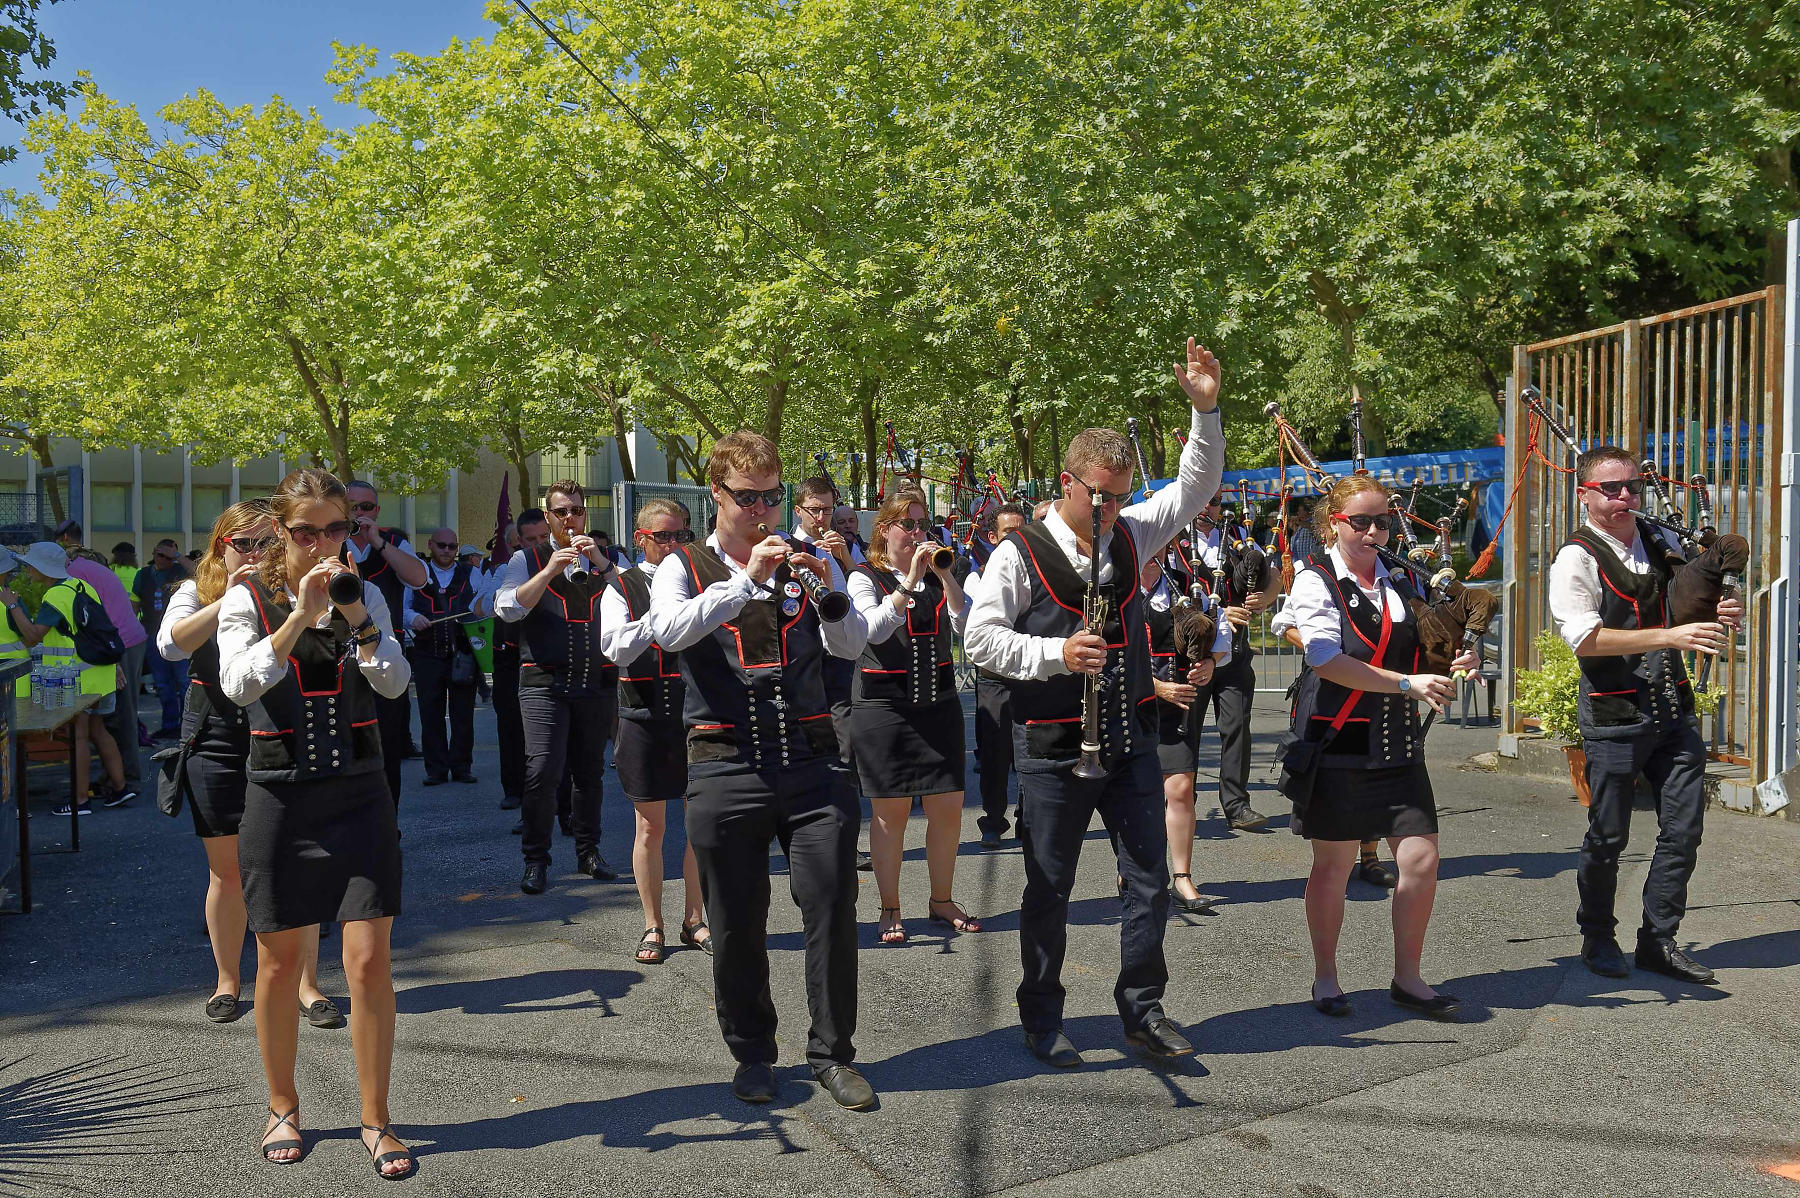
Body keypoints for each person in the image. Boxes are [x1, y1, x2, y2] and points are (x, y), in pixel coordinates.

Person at [964, 336, 1224, 1068]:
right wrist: (1054, 653)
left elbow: (1194, 488)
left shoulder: (1134, 531)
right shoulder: (1017, 554)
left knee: (1148, 883)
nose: (1109, 506)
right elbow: (979, 642)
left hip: (1130, 737)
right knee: (1049, 889)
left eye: (1119, 493)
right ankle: (1041, 1016)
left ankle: (1142, 1010)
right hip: (1051, 747)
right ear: (1067, 483)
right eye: (1096, 493)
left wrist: (1204, 411)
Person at [647, 430, 875, 1112]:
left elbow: (853, 642)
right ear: (716, 494)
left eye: (772, 497)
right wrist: (745, 580)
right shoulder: (683, 566)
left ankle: (834, 1053)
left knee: (832, 903)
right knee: (737, 917)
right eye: (747, 498)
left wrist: (830, 584)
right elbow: (669, 632)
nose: (762, 512)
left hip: (809, 757)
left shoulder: (806, 560)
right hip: (724, 762)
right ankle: (752, 1053)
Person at [216, 468, 413, 1177]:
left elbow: (393, 682)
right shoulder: (247, 597)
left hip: (360, 790)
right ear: (284, 532)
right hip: (280, 793)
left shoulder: (367, 593)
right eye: (310, 531)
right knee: (276, 963)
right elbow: (240, 686)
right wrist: (300, 614)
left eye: (338, 528)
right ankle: (281, 1103)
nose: (326, 542)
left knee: (366, 961)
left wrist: (359, 620)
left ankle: (376, 1118)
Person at [1548, 447, 1741, 984]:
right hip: (1615, 712)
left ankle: (1658, 940)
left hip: (1672, 707)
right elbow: (1585, 640)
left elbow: (1681, 606)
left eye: (1631, 485)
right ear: (1584, 494)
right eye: (1610, 488)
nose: (1625, 495)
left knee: (1683, 830)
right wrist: (1671, 635)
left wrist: (1717, 610)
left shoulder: (1660, 542)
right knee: (1608, 835)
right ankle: (1597, 936)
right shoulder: (1577, 557)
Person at [1284, 475, 1470, 1021]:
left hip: (1395, 739)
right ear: (1333, 524)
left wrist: (1453, 661)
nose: (1373, 531)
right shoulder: (1315, 582)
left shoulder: (1404, 580)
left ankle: (1408, 977)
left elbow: (1427, 645)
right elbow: (1326, 659)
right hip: (1339, 737)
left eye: (1382, 521)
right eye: (1359, 521)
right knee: (1334, 864)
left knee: (1421, 859)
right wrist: (1407, 684)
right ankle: (1325, 975)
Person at [159, 501, 342, 1030]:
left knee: (297, 862)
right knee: (228, 872)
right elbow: (170, 646)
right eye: (246, 542)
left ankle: (308, 985)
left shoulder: (291, 589)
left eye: (268, 542)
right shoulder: (194, 591)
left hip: (281, 731)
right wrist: (234, 596)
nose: (259, 553)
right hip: (217, 739)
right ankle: (227, 981)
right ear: (222, 545)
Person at [848, 489, 977, 945]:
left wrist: (946, 578)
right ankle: (890, 907)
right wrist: (907, 582)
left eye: (924, 524)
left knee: (948, 806)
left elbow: (966, 629)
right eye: (911, 525)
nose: (920, 534)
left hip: (938, 702)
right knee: (891, 813)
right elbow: (873, 629)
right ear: (885, 530)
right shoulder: (864, 577)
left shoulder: (940, 573)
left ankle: (941, 899)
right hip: (884, 706)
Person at [493, 480, 620, 893]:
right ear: (548, 517)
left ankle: (588, 852)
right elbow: (508, 608)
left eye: (577, 511)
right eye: (561, 511)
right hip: (543, 682)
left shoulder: (607, 559)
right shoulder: (524, 559)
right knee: (541, 772)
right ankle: (536, 859)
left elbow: (635, 598)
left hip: (594, 680)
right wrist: (549, 569)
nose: (570, 518)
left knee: (590, 772)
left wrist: (598, 558)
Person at [600, 497, 710, 964]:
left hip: (694, 713)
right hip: (643, 713)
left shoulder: (700, 578)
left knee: (699, 823)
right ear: (641, 539)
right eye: (663, 536)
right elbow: (615, 648)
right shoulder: (621, 587)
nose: (673, 544)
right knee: (651, 825)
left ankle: (695, 918)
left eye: (681, 535)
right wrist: (660, 617)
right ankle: (653, 923)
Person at [4, 543, 136, 815]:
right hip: (100, 672)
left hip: (80, 677)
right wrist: (115, 666)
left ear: (42, 568)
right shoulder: (79, 586)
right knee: (100, 732)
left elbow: (33, 636)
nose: (26, 570)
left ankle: (80, 801)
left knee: (79, 736)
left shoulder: (55, 596)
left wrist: (13, 604)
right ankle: (121, 788)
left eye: (30, 565)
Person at [1143, 543, 1232, 913]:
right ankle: (1133, 870)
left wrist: (1210, 661)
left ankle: (1181, 877)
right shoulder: (1111, 586)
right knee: (1137, 792)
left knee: (1179, 788)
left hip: (1177, 707)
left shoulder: (1188, 585)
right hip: (1128, 704)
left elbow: (1219, 628)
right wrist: (1154, 686)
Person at [793, 478, 869, 870]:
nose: (823, 518)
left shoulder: (846, 549)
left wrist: (844, 562)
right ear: (798, 511)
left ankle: (845, 840)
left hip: (838, 663)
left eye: (828, 510)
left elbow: (855, 609)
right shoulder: (786, 550)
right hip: (802, 666)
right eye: (815, 510)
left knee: (844, 752)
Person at [1189, 492, 1276, 832]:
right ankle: (1180, 802)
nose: (1206, 508)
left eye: (1212, 501)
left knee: (1237, 727)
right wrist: (1219, 613)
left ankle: (1237, 805)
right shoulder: (1175, 540)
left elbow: (1274, 582)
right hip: (1194, 654)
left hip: (1236, 653)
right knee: (1187, 732)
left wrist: (1262, 600)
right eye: (1202, 500)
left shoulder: (1239, 536)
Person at [340, 480, 428, 805]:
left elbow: (418, 578)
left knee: (388, 747)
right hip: (341, 659)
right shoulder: (332, 540)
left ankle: (388, 824)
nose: (360, 513)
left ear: (377, 511)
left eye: (367, 507)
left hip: (387, 656)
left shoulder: (393, 542)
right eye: (353, 507)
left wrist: (378, 542)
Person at [63, 540, 150, 794]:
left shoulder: (74, 572)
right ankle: (117, 773)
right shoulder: (90, 568)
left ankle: (125, 776)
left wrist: (112, 662)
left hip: (119, 643)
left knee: (119, 715)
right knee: (118, 714)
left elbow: (93, 617)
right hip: (128, 640)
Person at [405, 527, 486, 787]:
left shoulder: (471, 572)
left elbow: (483, 602)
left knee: (463, 712)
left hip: (462, 651)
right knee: (430, 713)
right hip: (427, 652)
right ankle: (436, 769)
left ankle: (462, 766)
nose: (447, 551)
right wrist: (413, 618)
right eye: (442, 545)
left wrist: (474, 613)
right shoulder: (417, 572)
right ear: (430, 545)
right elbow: (403, 607)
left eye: (452, 546)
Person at [973, 502, 1028, 850]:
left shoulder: (1038, 571)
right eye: (1010, 533)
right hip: (994, 677)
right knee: (995, 753)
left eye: (1024, 531)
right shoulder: (977, 575)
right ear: (993, 538)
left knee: (1031, 750)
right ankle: (993, 820)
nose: (1019, 538)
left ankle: (1029, 817)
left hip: (1031, 674)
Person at [490, 518, 532, 814]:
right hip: (508, 658)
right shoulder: (504, 570)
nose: (533, 545)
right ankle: (513, 789)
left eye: (541, 537)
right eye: (526, 539)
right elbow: (484, 602)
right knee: (510, 726)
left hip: (540, 658)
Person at [134, 537, 194, 740]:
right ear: (153, 554)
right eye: (160, 555)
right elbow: (134, 605)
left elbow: (200, 572)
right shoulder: (143, 575)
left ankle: (188, 727)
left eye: (169, 556)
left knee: (184, 682)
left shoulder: (180, 571)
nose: (164, 559)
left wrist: (177, 556)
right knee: (162, 684)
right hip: (152, 635)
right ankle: (169, 725)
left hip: (180, 635)